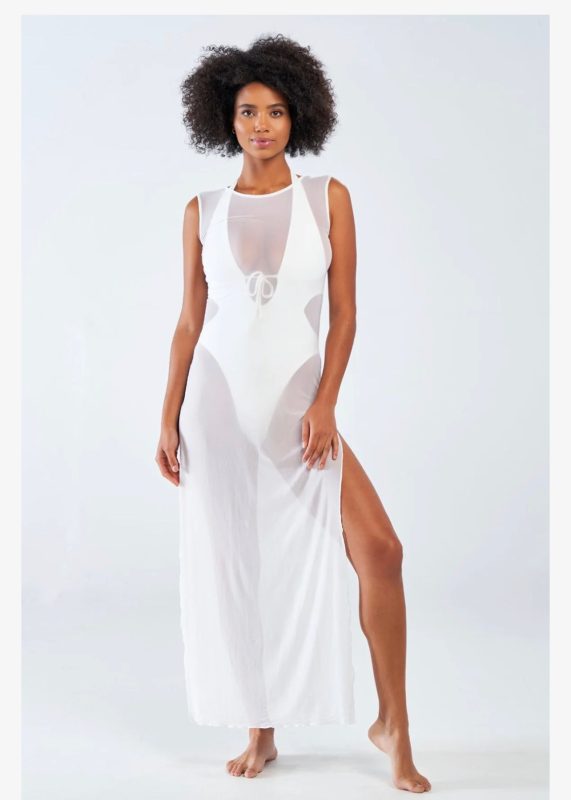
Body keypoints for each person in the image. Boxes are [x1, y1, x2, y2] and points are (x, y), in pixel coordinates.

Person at [156, 34, 431, 793]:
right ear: (225, 117)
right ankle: (260, 728)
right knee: (242, 565)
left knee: (380, 550)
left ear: (298, 116)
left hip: (300, 408)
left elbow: (344, 315)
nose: (261, 125)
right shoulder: (202, 210)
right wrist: (166, 417)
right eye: (248, 111)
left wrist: (326, 402)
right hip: (215, 408)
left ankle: (393, 724)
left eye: (275, 111)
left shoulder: (326, 197)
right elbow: (189, 322)